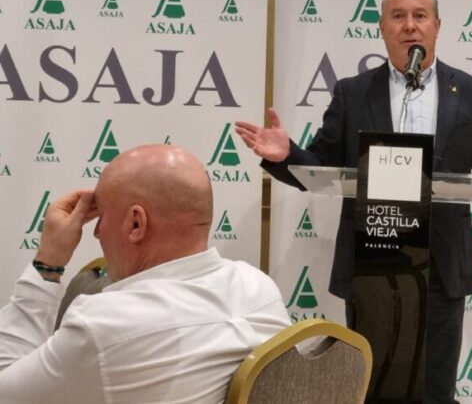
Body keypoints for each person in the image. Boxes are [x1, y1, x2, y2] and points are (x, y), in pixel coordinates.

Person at [235, 0, 472, 403]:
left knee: (436, 388)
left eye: (420, 16)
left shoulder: (469, 92)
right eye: (399, 16)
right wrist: (285, 155)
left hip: (441, 265)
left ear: (437, 26)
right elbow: (319, 165)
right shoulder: (353, 93)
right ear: (382, 27)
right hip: (372, 265)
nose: (410, 26)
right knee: (374, 383)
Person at [0, 145, 290, 404]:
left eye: (101, 218)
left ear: (136, 224)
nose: (98, 232)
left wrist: (48, 262)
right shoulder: (260, 288)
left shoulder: (104, 326)